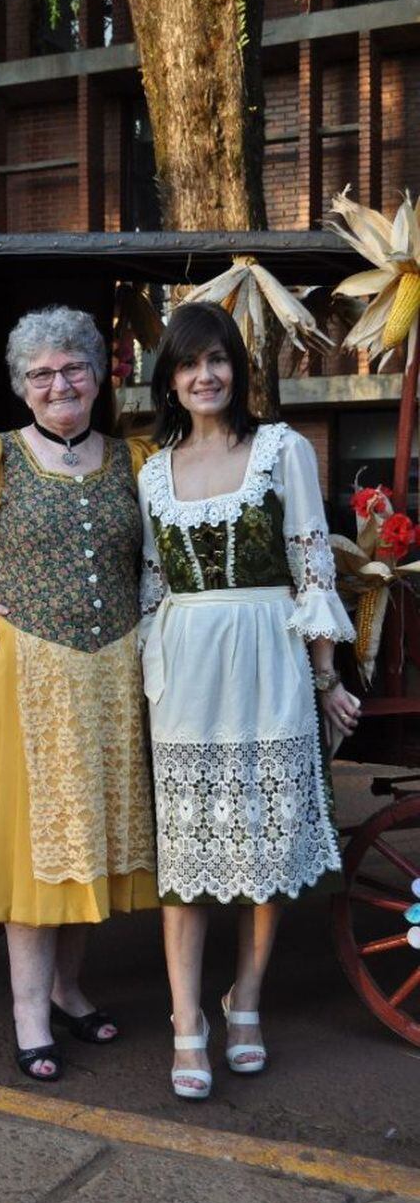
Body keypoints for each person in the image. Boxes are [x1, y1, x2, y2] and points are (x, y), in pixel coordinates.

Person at [0, 306, 158, 1083]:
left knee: (88, 842)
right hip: (22, 674)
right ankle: (27, 1012)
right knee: (30, 851)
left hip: (111, 673)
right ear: (22, 386)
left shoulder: (135, 460)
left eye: (72, 367)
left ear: (98, 372)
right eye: (40, 374)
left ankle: (69, 987)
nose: (58, 383)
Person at [138, 301, 358, 1100]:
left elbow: (312, 570)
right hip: (185, 666)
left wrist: (325, 677)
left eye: (218, 360)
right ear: (169, 377)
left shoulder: (280, 449)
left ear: (237, 370)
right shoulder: (152, 470)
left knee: (263, 851)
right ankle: (184, 1021)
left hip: (267, 654)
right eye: (189, 363)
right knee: (187, 858)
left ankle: (246, 1003)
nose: (205, 375)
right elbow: (151, 586)